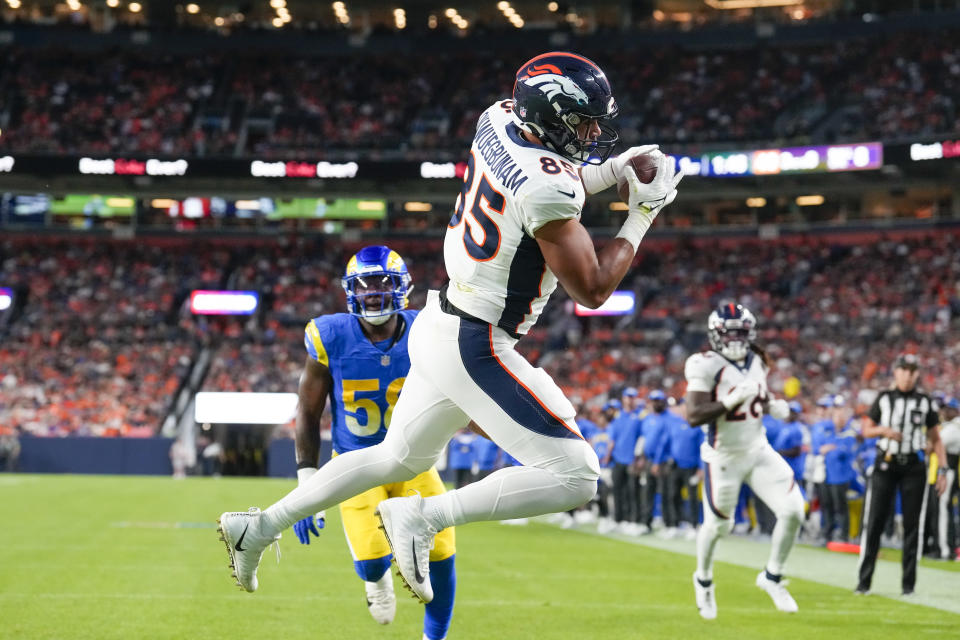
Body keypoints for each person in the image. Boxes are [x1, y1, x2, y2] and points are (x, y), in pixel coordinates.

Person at [217, 50, 684, 605]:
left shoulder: (498, 117)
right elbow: (593, 289)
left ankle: (260, 525)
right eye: (582, 122)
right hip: (478, 340)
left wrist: (611, 173)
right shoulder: (547, 187)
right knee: (576, 475)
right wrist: (643, 212)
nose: (591, 134)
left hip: (442, 319)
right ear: (551, 115)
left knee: (397, 458)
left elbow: (549, 174)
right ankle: (426, 515)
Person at [283, 246, 457, 640]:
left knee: (442, 552)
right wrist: (308, 481)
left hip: (415, 460)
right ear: (350, 292)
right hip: (357, 463)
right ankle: (376, 581)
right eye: (365, 286)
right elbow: (309, 411)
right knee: (371, 560)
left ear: (402, 288)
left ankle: (435, 637)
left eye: (384, 284)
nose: (374, 294)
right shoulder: (329, 336)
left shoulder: (428, 329)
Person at [685, 303, 804, 620]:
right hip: (722, 457)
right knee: (719, 526)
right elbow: (693, 415)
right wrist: (729, 401)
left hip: (758, 449)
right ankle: (704, 580)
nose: (736, 339)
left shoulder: (758, 360)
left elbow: (756, 395)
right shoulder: (704, 364)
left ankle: (773, 577)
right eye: (730, 332)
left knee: (794, 510)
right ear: (716, 334)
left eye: (741, 332)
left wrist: (772, 404)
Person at [856, 354, 948, 596]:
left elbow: (935, 438)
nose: (908, 375)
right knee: (874, 523)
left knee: (912, 527)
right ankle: (863, 583)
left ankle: (908, 586)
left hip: (914, 468)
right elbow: (865, 430)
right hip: (885, 465)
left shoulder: (925, 401)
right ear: (896, 372)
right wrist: (883, 430)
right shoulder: (884, 398)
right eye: (904, 370)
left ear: (917, 373)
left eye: (912, 370)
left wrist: (943, 470)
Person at [811, 397, 857, 543]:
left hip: (841, 476)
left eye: (840, 416)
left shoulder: (849, 433)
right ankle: (827, 534)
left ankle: (844, 535)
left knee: (841, 507)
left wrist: (829, 449)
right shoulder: (829, 432)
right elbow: (818, 449)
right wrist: (829, 448)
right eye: (835, 416)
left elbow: (843, 451)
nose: (837, 419)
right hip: (828, 475)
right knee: (827, 505)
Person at [659, 396, 703, 539]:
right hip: (675, 466)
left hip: (691, 466)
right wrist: (660, 461)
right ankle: (674, 525)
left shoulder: (697, 425)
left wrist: (701, 468)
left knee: (692, 497)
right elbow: (665, 444)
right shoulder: (674, 424)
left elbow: (702, 448)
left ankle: (693, 526)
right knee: (673, 495)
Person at [932, 398, 960, 559]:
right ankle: (947, 547)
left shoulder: (954, 426)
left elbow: (934, 443)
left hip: (949, 470)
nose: (944, 412)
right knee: (945, 509)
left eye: (948, 409)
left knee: (944, 509)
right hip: (950, 469)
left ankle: (945, 549)